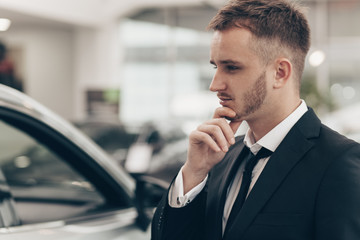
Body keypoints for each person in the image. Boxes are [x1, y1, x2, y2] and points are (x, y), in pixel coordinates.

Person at [151, 0, 360, 239]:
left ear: (280, 73)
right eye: (215, 67)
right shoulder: (221, 157)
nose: (214, 85)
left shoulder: (339, 163)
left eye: (231, 67)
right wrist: (194, 172)